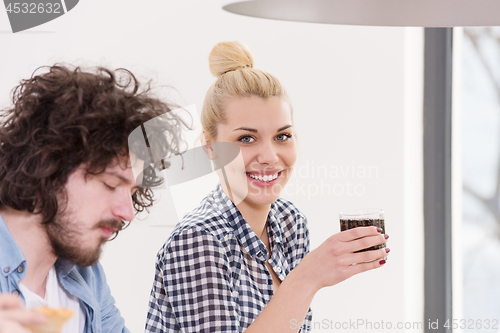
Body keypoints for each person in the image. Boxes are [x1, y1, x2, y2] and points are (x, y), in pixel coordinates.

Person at [145, 41, 390, 333]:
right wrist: (307, 277)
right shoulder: (198, 240)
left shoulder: (289, 223)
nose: (270, 157)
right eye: (246, 139)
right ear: (209, 148)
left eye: (282, 136)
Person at [0, 65, 186, 333]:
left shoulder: (86, 277)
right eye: (110, 185)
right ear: (48, 163)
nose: (128, 212)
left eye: (133, 192)